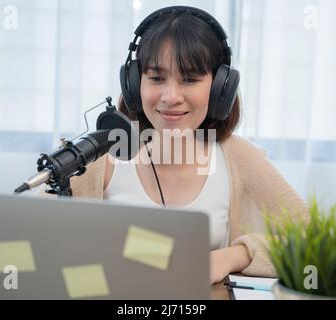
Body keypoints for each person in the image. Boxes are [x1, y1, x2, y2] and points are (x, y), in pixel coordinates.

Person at [64, 6, 308, 284]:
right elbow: (35, 235)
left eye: (190, 79)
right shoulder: (103, 151)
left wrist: (232, 256)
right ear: (133, 84)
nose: (170, 97)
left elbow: (315, 243)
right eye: (156, 78)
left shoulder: (238, 158)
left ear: (220, 89)